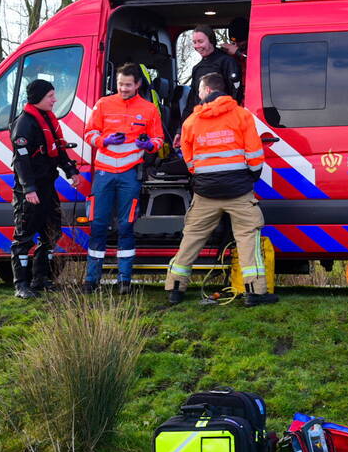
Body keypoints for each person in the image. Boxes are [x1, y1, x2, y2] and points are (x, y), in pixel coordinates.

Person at [164, 72, 278, 307]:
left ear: (206, 91)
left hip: (206, 191)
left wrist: (204, 176)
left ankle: (175, 288)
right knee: (247, 237)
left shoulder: (191, 122)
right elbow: (255, 155)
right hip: (238, 190)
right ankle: (254, 292)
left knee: (192, 237)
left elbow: (189, 161)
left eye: (199, 91)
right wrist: (251, 176)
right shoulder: (241, 115)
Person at [82, 63, 164, 293]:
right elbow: (89, 133)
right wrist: (105, 141)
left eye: (128, 85)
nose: (124, 89)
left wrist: (148, 145)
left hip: (130, 173)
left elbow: (159, 140)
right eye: (120, 84)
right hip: (104, 172)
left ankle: (124, 280)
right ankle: (91, 280)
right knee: (98, 225)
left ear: (138, 84)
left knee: (127, 226)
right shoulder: (103, 104)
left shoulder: (149, 109)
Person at [9, 79, 81, 299]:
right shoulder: (24, 124)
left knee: (51, 231)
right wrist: (28, 188)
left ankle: (41, 278)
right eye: (51, 96)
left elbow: (57, 149)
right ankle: (21, 284)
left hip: (47, 186)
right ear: (39, 97)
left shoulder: (47, 120)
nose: (55, 100)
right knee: (24, 236)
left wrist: (70, 170)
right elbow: (20, 160)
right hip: (29, 191)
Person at [179, 25, 241, 136]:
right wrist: (181, 130)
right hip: (203, 124)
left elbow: (236, 95)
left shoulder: (227, 62)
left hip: (225, 124)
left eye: (200, 41)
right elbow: (191, 101)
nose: (197, 46)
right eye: (194, 42)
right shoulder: (197, 68)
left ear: (211, 40)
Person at [222, 17, 249, 93]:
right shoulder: (230, 55)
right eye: (234, 42)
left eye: (240, 42)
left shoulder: (258, 48)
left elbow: (256, 66)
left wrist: (238, 53)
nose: (236, 45)